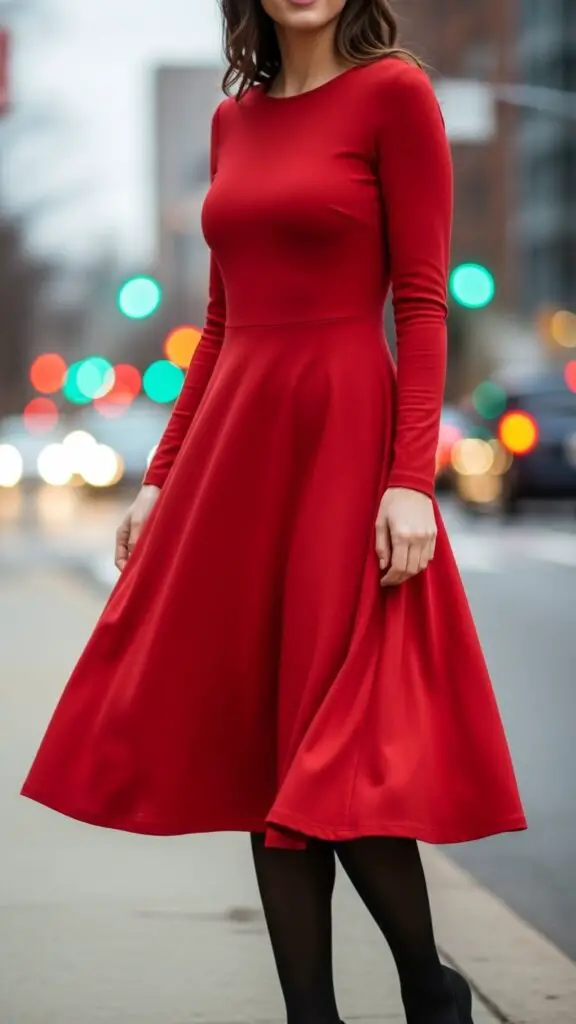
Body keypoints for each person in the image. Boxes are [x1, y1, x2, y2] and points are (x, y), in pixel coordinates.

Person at [21, 1, 526, 1021]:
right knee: (267, 742)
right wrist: (161, 477)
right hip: (238, 453)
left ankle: (428, 988)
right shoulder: (233, 119)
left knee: (325, 738)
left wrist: (408, 479)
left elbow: (422, 303)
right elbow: (217, 323)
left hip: (342, 442)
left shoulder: (397, 94)